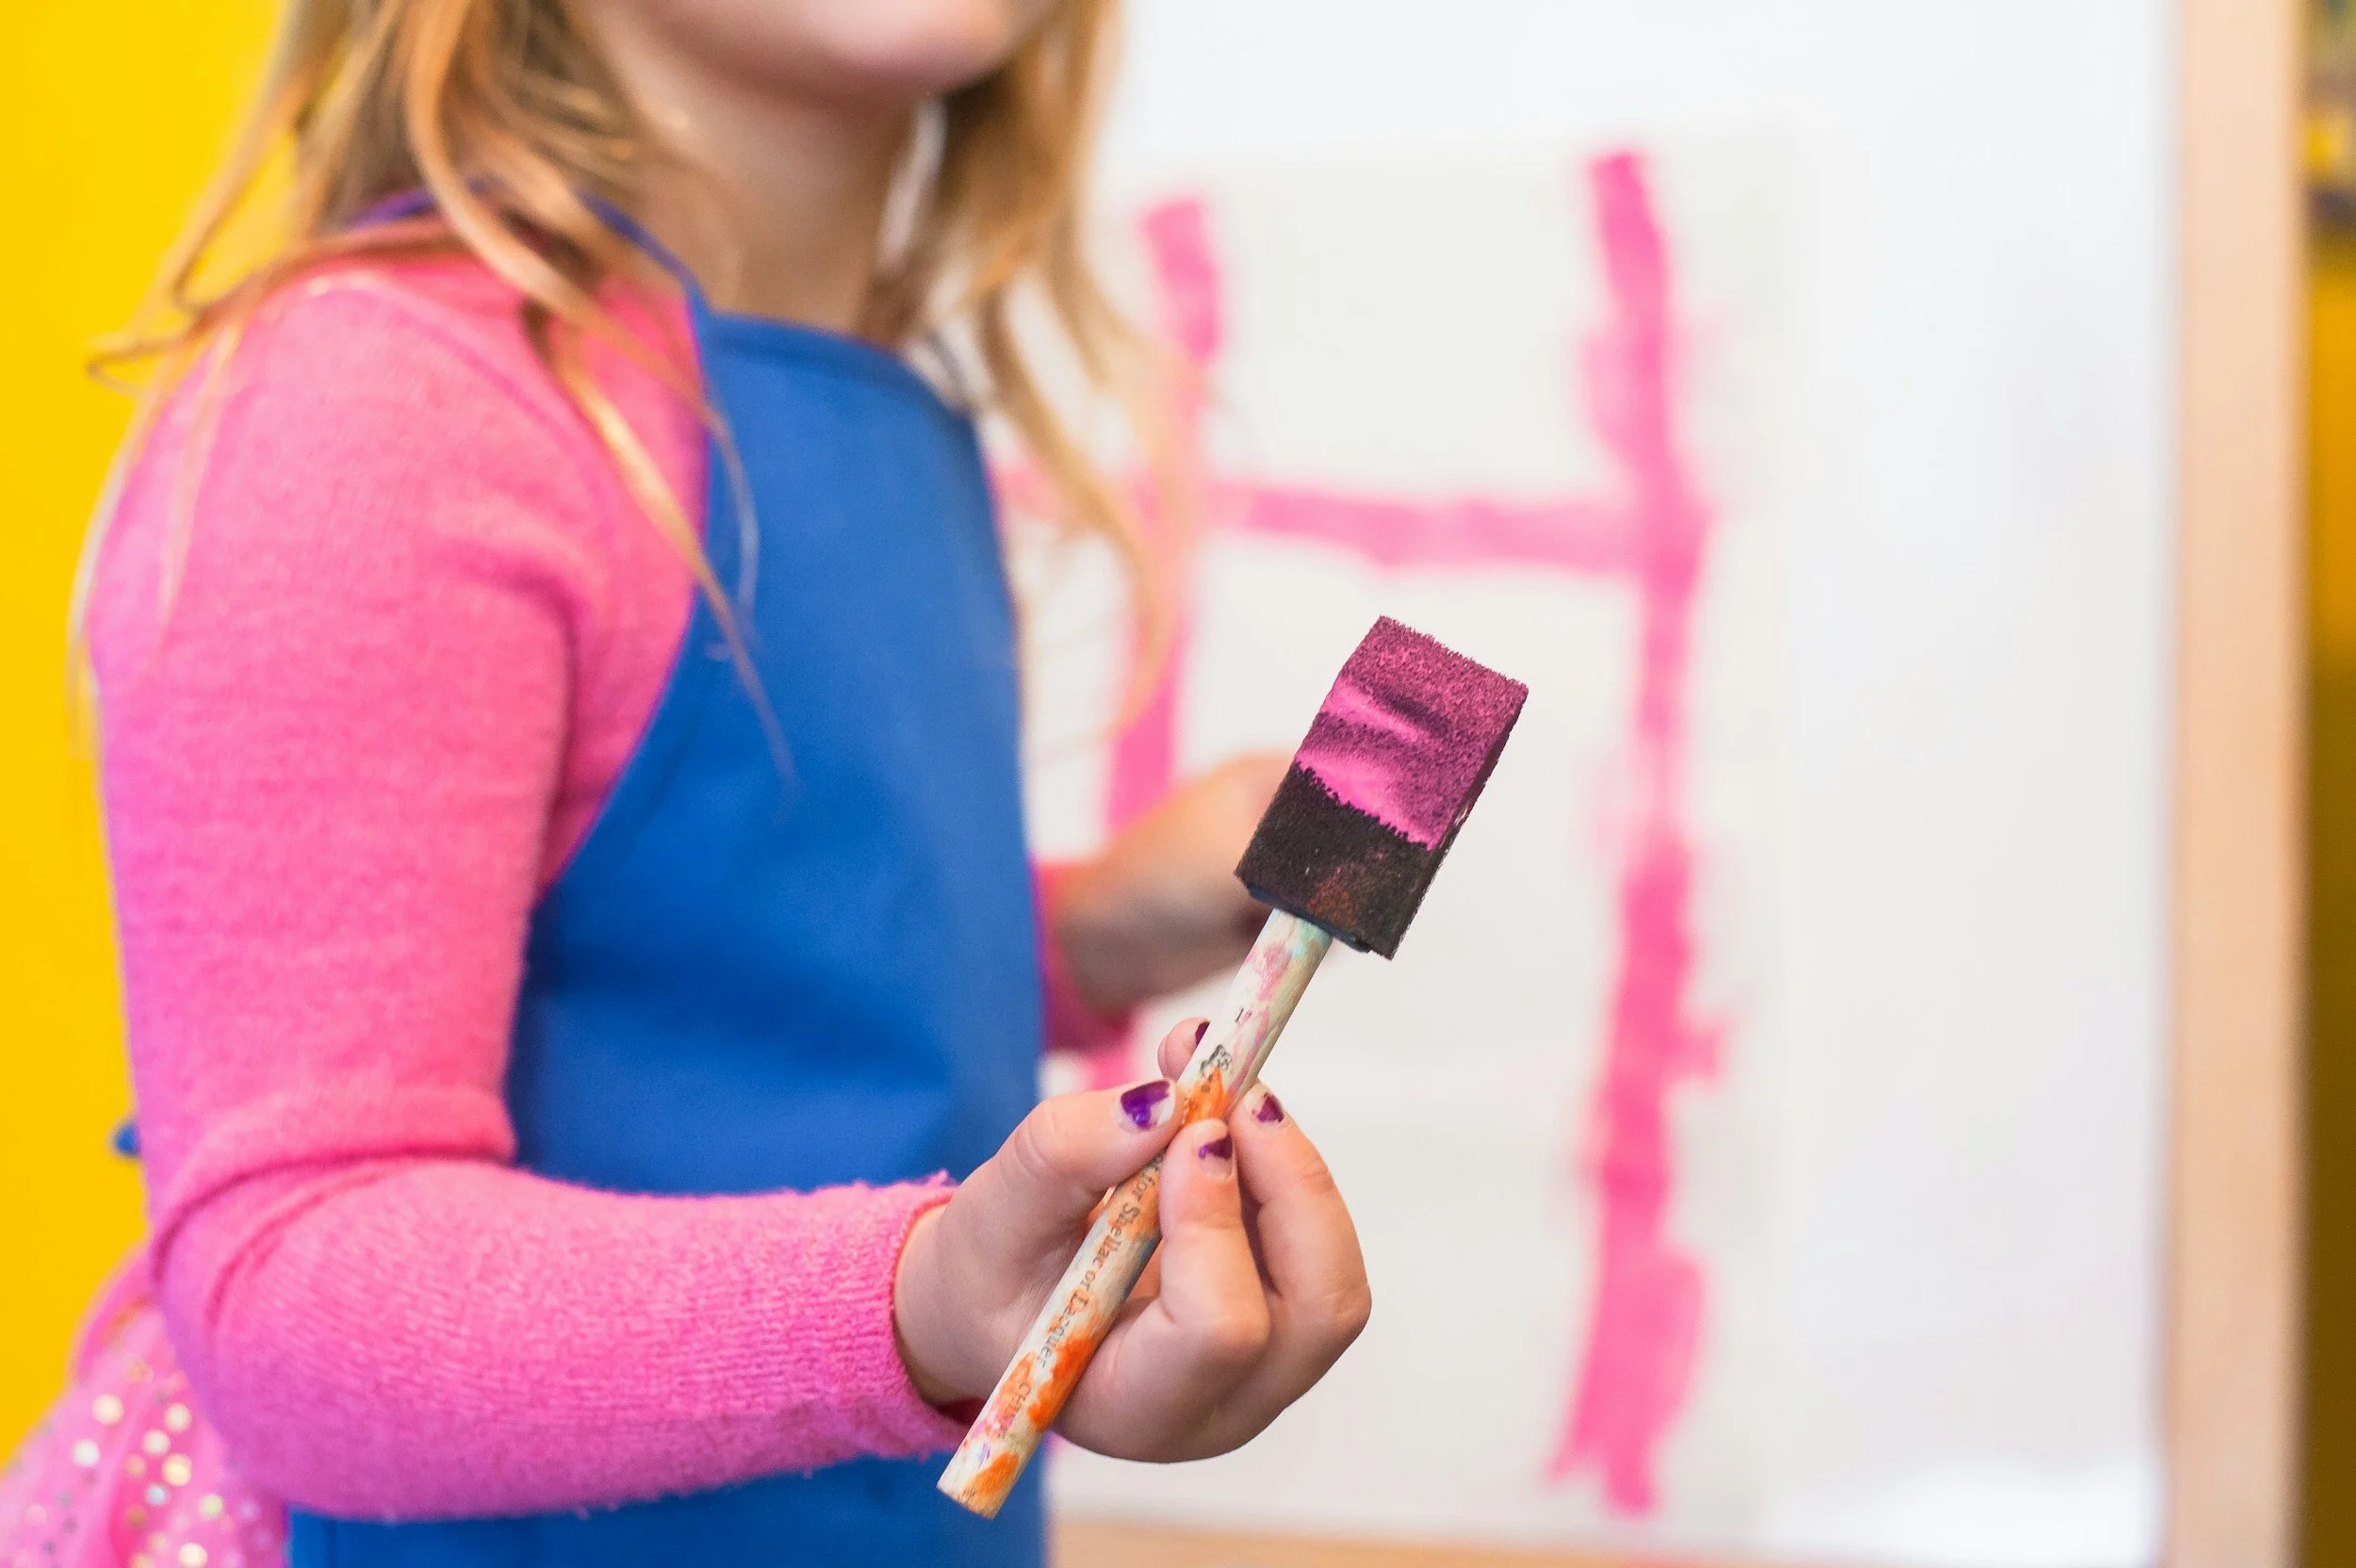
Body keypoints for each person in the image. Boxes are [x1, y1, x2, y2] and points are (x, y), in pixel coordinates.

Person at [0, 3, 1370, 1564]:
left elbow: (725, 973)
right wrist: (919, 1300)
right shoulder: (386, 408)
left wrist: (1090, 938)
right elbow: (291, 1276)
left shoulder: (903, 434)